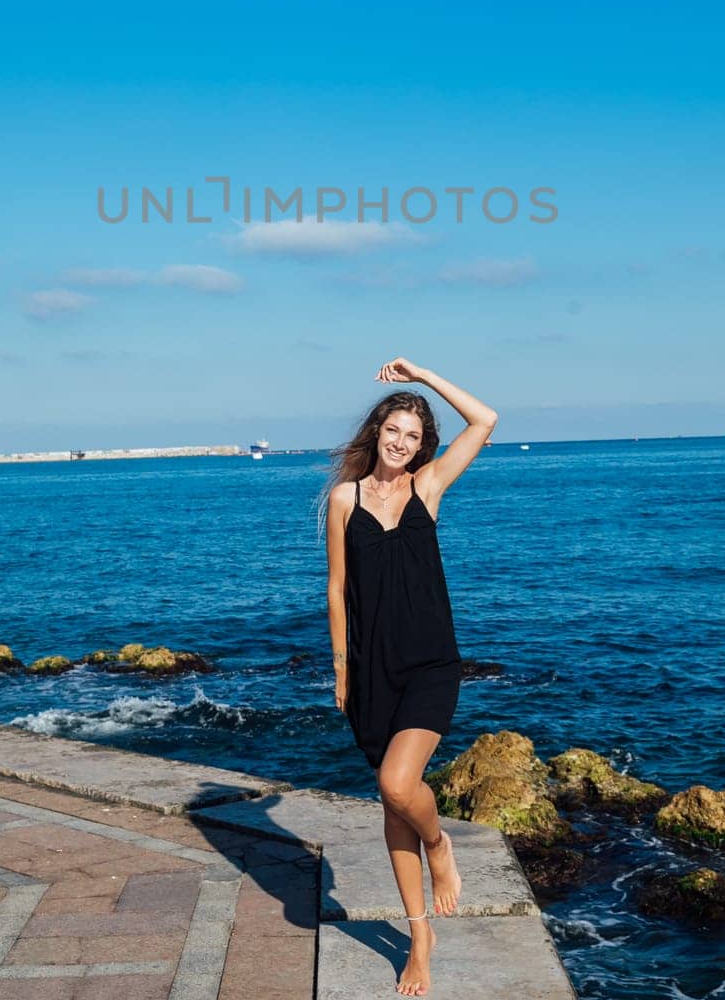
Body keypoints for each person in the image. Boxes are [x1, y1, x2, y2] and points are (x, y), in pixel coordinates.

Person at [323, 358, 497, 997]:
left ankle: (440, 843)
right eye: (394, 430)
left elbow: (485, 420)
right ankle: (419, 936)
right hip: (372, 670)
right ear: (378, 432)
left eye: (414, 435)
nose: (402, 442)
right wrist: (343, 668)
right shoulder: (346, 499)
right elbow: (338, 590)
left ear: (424, 445)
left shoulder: (429, 488)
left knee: (401, 787)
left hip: (430, 663)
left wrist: (423, 378)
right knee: (390, 805)